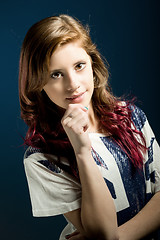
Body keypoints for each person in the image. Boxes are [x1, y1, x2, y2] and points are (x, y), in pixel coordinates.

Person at [19, 15, 160, 240]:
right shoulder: (41, 158)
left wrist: (119, 238)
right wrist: (82, 151)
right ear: (39, 84)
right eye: (56, 74)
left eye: (79, 66)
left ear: (92, 64)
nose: (72, 84)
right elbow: (101, 233)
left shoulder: (130, 117)